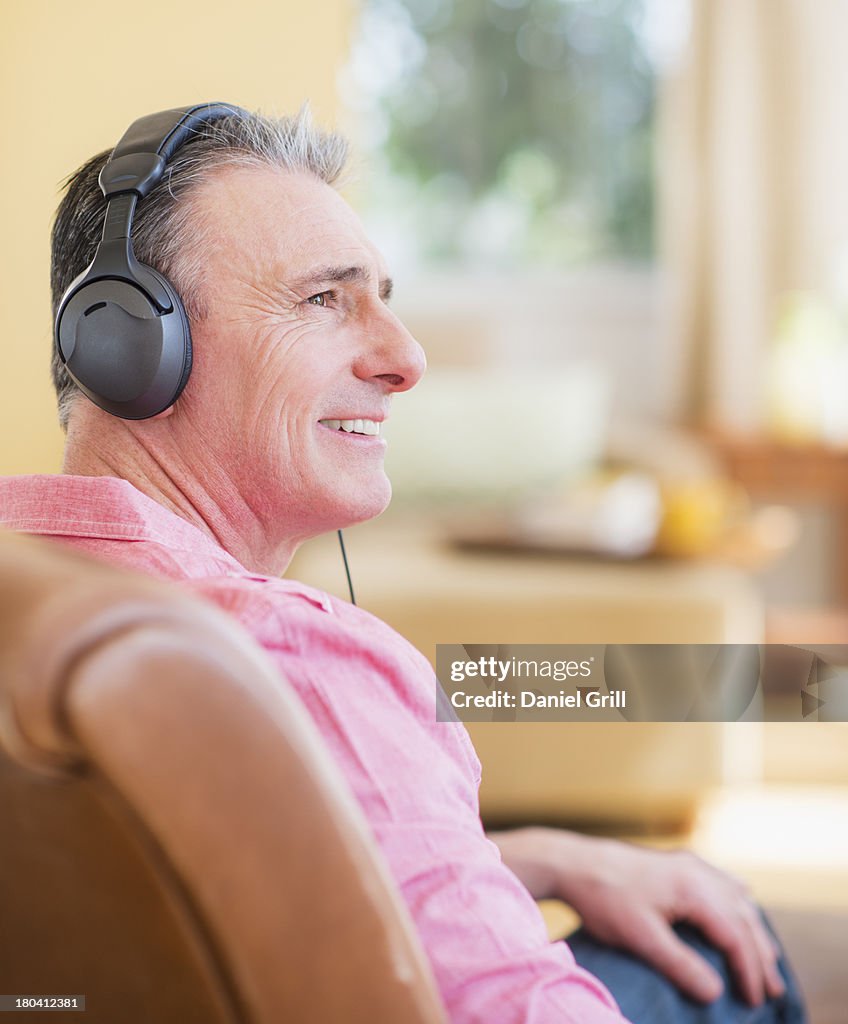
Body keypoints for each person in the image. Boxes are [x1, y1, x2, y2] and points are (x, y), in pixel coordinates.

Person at [0, 106, 805, 1023]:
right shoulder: (297, 657)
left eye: (384, 296)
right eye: (324, 300)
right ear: (130, 343)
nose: (406, 357)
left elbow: (174, 876)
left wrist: (517, 857)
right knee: (726, 945)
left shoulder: (22, 587)